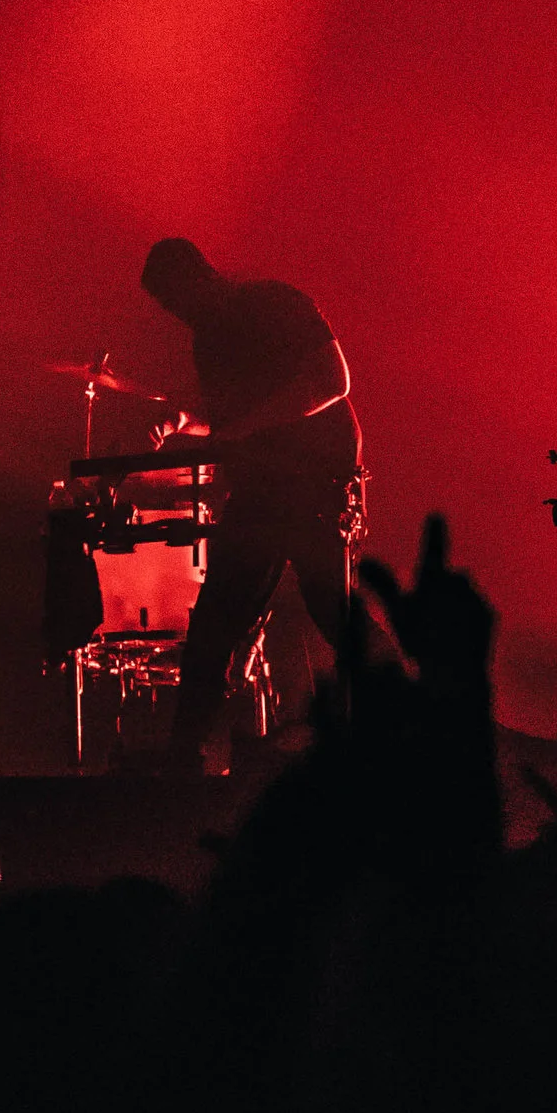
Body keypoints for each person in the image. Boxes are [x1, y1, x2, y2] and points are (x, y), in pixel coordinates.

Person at [139, 236, 362, 768]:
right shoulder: (209, 342)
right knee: (217, 621)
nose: (178, 315)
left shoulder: (275, 303)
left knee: (332, 613)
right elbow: (236, 421)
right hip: (264, 491)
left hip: (313, 482)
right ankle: (183, 754)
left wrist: (246, 427)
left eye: (175, 301)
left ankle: (411, 722)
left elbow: (333, 381)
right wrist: (185, 423)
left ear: (198, 278)